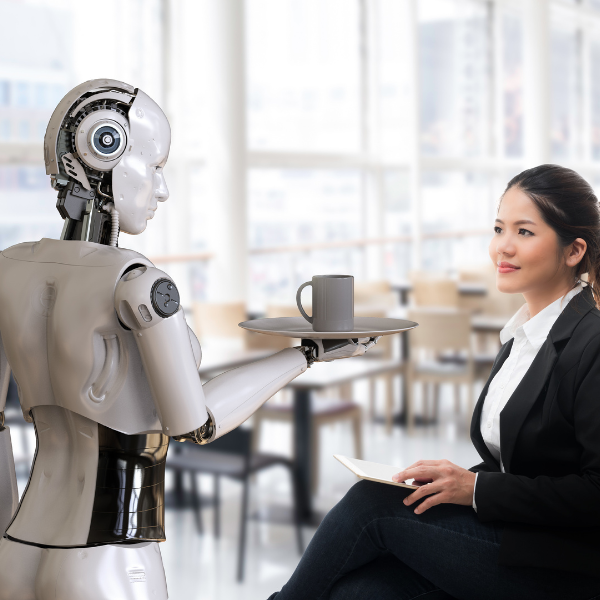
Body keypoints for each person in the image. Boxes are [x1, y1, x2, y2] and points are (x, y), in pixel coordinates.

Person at [267, 164, 600, 600]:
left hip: (561, 562)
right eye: (499, 228)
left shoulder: (590, 341)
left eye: (524, 232)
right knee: (356, 592)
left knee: (371, 503)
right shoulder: (523, 336)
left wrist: (475, 488)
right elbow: (517, 463)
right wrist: (454, 481)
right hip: (512, 532)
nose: (502, 247)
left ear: (574, 251)